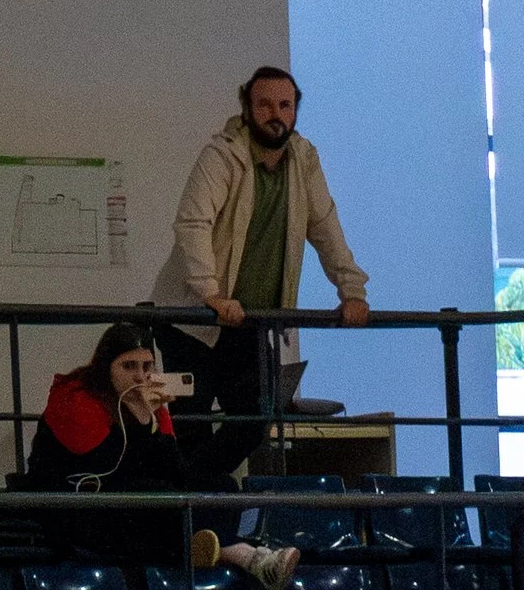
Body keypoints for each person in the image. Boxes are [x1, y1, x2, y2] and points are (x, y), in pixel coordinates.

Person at [21, 319, 297, 590]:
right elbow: (105, 468)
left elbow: (176, 473)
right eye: (128, 366)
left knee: (222, 488)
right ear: (107, 368)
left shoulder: (147, 400)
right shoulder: (75, 398)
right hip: (78, 503)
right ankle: (246, 556)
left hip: (131, 497)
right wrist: (142, 419)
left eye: (147, 366)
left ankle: (212, 549)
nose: (140, 377)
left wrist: (154, 421)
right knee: (154, 500)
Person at [153, 69, 368, 421]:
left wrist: (352, 291)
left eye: (285, 105)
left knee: (257, 420)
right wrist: (211, 294)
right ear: (247, 108)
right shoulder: (221, 156)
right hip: (191, 318)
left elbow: (326, 226)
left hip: (247, 322)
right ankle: (204, 478)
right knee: (191, 425)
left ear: (296, 110)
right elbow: (193, 224)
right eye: (265, 105)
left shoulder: (304, 159)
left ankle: (209, 478)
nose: (276, 114)